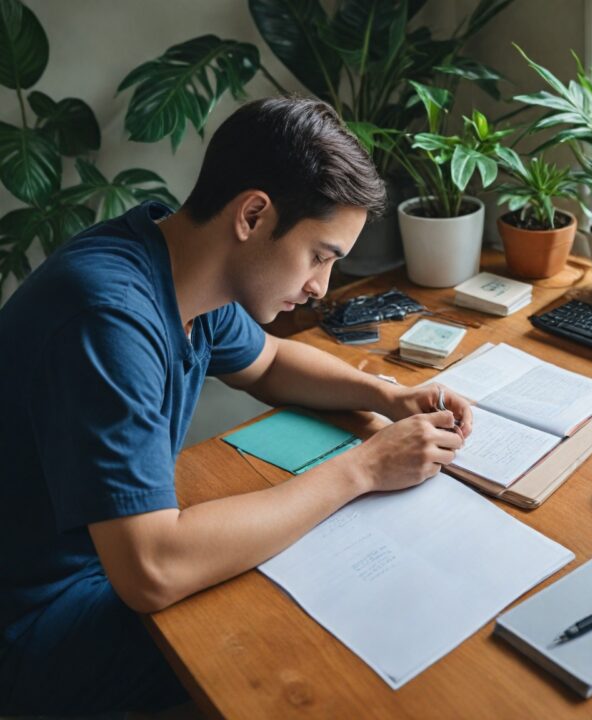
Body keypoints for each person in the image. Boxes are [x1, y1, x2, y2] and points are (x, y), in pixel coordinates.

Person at [0, 96, 473, 715]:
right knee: (311, 647)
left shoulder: (181, 265)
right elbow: (152, 571)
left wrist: (388, 395)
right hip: (38, 622)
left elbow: (270, 364)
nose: (320, 288)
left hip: (100, 562)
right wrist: (364, 469)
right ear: (253, 214)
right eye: (319, 256)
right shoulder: (108, 318)